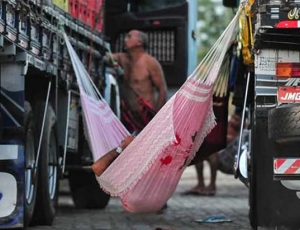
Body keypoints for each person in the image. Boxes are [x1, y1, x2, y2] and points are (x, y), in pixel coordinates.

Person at [108, 29, 168, 133]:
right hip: (127, 118)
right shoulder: (123, 59)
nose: (125, 40)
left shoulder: (150, 62)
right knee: (122, 147)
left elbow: (162, 90)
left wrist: (156, 118)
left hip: (145, 119)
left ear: (139, 43)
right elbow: (107, 56)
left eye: (129, 37)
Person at [183, 112, 243, 196]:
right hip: (220, 151)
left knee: (212, 154)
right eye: (232, 118)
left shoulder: (241, 131)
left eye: (236, 120)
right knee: (198, 153)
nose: (233, 121)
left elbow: (230, 140)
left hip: (230, 157)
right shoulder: (227, 125)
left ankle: (212, 185)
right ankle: (200, 184)